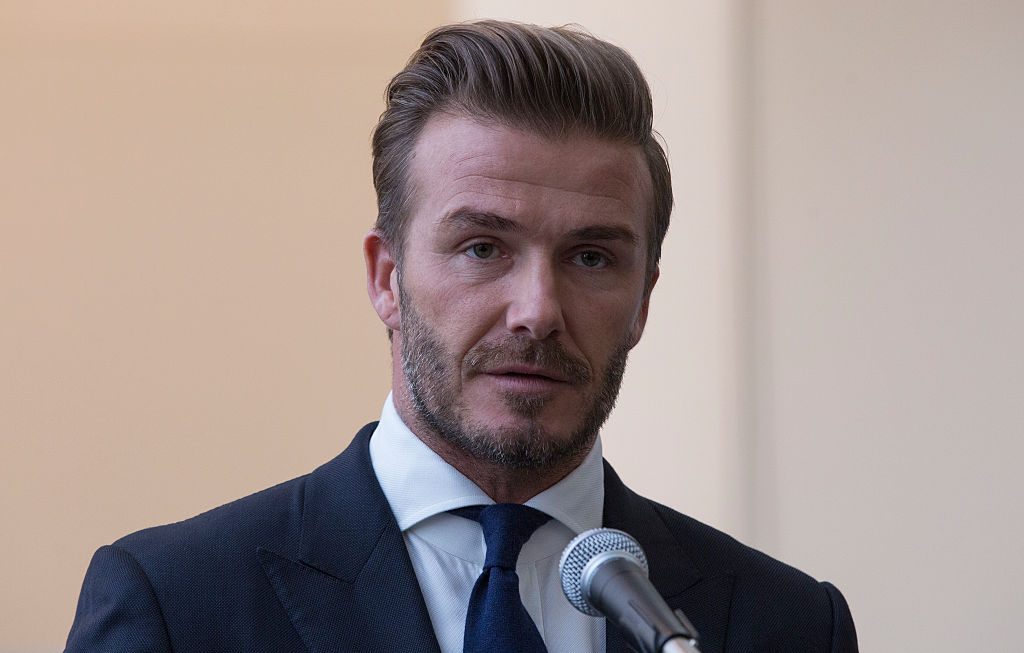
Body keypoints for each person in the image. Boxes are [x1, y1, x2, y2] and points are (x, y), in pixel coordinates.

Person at [65, 20, 858, 652]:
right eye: (483, 248)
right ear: (386, 278)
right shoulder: (177, 604)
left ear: (644, 299)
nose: (537, 311)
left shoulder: (785, 624)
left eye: (591, 256)